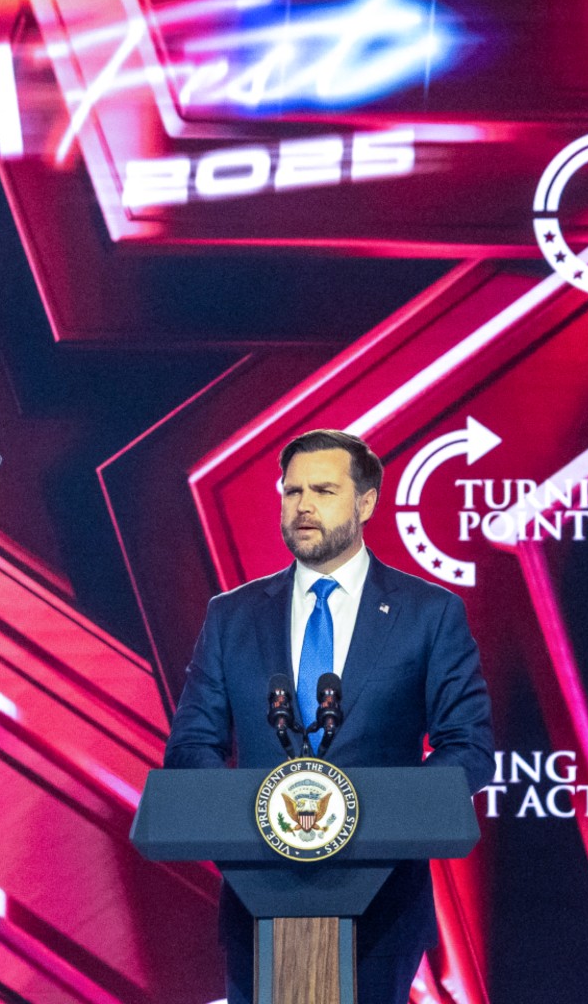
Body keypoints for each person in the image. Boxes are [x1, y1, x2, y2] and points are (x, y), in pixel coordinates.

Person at [164, 429, 493, 1004]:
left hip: (381, 902)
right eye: (291, 493)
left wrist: (376, 815)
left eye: (322, 490)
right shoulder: (231, 617)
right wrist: (259, 822)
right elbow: (192, 745)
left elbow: (467, 747)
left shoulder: (429, 614)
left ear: (366, 503)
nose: (303, 506)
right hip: (258, 896)